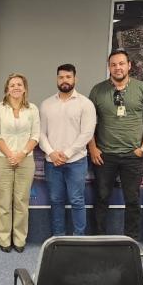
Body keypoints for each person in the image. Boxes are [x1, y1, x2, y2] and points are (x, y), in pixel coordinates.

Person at [88, 48, 143, 245]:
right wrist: (92, 148)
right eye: (113, 64)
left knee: (133, 201)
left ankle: (131, 242)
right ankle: (98, 240)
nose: (117, 67)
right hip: (104, 155)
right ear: (109, 67)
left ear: (129, 66)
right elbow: (88, 122)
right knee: (101, 198)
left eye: (121, 64)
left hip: (132, 155)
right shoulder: (97, 90)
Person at [38, 63, 96, 237]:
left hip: (76, 162)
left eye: (68, 77)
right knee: (56, 201)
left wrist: (67, 154)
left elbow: (87, 133)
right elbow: (40, 133)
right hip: (52, 162)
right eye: (61, 77)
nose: (65, 80)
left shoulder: (86, 104)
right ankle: (58, 237)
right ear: (57, 79)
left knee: (77, 201)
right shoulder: (46, 104)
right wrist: (51, 153)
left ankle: (79, 238)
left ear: (75, 79)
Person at [0, 73, 40, 253]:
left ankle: (19, 239)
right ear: (7, 89)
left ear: (25, 88)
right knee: (3, 202)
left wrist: (22, 154)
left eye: (20, 84)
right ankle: (4, 239)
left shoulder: (32, 109)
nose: (16, 87)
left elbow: (35, 136)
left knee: (21, 201)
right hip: (3, 159)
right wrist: (11, 154)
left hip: (26, 160)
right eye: (12, 85)